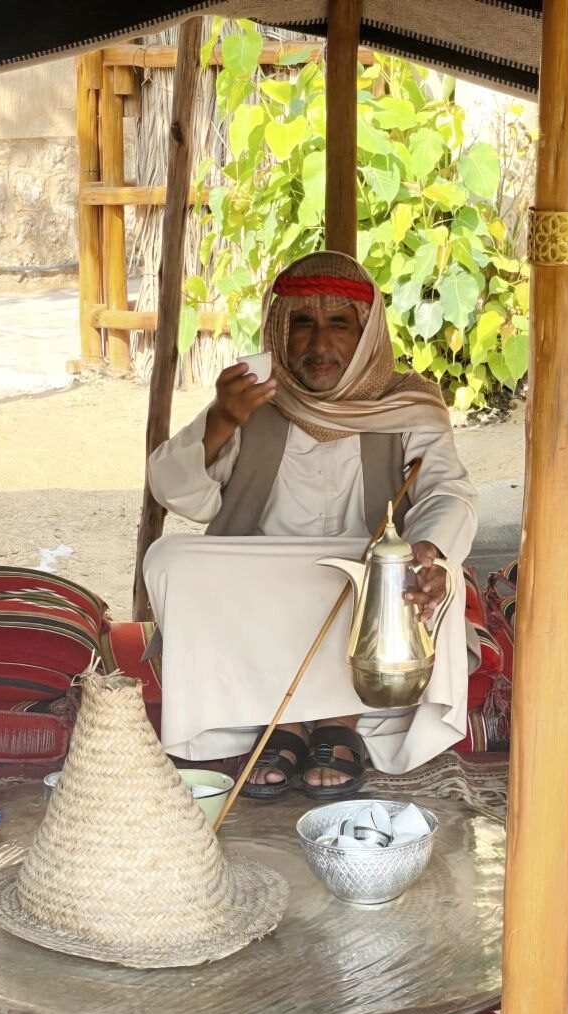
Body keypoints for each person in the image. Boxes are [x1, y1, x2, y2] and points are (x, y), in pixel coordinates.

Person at [144, 251, 478, 799]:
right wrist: (223, 419)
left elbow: (447, 491)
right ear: (280, 328)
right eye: (303, 323)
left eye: (339, 324)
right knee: (169, 560)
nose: (319, 344)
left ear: (367, 332)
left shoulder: (408, 402)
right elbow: (181, 495)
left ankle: (339, 721)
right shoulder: (256, 400)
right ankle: (288, 721)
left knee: (436, 573)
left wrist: (429, 554)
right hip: (264, 573)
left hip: (370, 572)